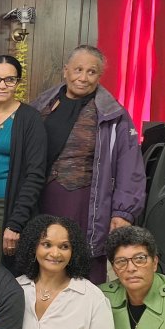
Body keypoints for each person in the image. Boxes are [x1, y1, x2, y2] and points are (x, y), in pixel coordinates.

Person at [30, 45, 145, 284]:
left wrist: (123, 211)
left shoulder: (113, 115)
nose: (83, 78)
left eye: (91, 72)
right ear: (65, 71)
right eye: (78, 70)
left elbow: (130, 166)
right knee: (43, 257)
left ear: (99, 76)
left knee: (82, 262)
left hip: (86, 202)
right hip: (42, 198)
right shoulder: (41, 106)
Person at [0, 55, 46, 265]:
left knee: (4, 270)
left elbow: (35, 175)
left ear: (17, 83)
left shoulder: (30, 119)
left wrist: (16, 223)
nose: (1, 85)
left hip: (7, 207)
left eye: (9, 80)